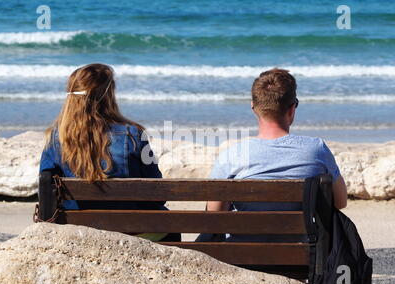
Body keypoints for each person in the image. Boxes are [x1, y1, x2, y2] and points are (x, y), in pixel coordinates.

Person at [197, 68, 347, 242]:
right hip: (301, 256)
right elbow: (340, 202)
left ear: (254, 108)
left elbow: (214, 216)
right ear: (292, 109)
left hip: (242, 255)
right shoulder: (317, 150)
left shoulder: (232, 155)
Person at [39, 63, 180, 242]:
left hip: (77, 233)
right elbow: (158, 195)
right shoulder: (133, 134)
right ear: (108, 95)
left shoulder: (56, 138)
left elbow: (46, 194)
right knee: (171, 221)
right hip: (133, 232)